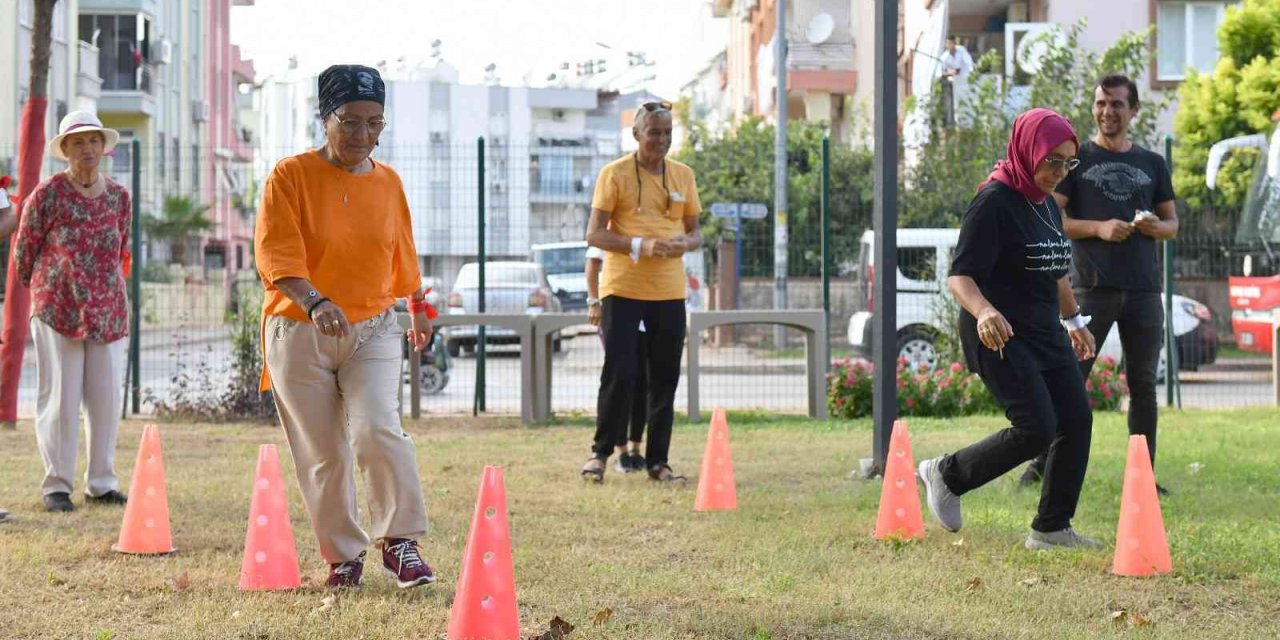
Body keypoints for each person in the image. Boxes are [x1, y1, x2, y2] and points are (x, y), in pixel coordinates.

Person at [255, 65, 436, 589]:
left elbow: (402, 252)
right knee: (323, 452)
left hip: (374, 326)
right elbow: (276, 253)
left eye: (374, 123)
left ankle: (400, 540)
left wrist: (418, 306)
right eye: (350, 121)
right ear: (324, 118)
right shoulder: (290, 176)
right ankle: (343, 556)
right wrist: (315, 301)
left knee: (378, 426)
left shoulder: (389, 182)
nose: (362, 135)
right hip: (299, 330)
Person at [918, 108, 1103, 550]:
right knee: (1036, 427)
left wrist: (1074, 319)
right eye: (1051, 160)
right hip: (998, 334)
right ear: (1028, 151)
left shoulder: (1046, 204)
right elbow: (960, 277)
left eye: (1067, 162)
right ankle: (945, 473)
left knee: (1075, 420)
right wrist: (983, 312)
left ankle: (1051, 528)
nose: (1059, 172)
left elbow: (1056, 271)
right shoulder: (994, 201)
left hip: (1044, 330)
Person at [1020, 75, 1178, 495]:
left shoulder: (1152, 163)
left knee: (1143, 384)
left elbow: (1172, 225)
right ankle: (1041, 463)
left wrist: (1151, 225)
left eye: (1117, 104)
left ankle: (1143, 477)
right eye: (1101, 103)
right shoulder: (1077, 160)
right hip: (1091, 288)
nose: (1107, 111)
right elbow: (1052, 218)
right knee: (1071, 376)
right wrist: (1099, 228)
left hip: (1143, 291)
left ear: (1134, 111)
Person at [14, 111, 131, 513]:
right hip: (57, 308)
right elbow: (23, 250)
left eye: (94, 141)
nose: (87, 149)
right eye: (78, 142)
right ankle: (57, 485)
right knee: (60, 399)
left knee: (104, 400)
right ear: (64, 150)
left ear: (104, 147)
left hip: (108, 311)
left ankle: (102, 482)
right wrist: (48, 291)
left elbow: (120, 249)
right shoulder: (46, 194)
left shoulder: (119, 197)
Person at [580, 101, 702, 484]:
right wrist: (639, 246)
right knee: (621, 370)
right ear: (636, 134)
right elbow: (594, 234)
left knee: (665, 376)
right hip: (623, 287)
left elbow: (697, 233)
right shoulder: (613, 173)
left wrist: (682, 244)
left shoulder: (683, 175)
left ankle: (658, 462)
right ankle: (600, 455)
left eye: (667, 132)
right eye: (654, 132)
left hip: (669, 291)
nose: (662, 140)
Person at [585, 245, 647, 473]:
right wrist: (594, 302)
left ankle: (636, 449)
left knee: (643, 381)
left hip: (649, 311)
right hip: (618, 309)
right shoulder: (608, 228)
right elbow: (592, 263)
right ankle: (618, 451)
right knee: (622, 379)